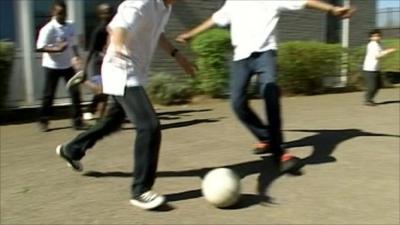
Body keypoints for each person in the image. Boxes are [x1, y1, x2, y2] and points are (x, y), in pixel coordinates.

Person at [176, 0, 355, 173]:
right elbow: (215, 19)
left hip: (265, 55)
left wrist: (332, 9)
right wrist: (191, 34)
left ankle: (280, 153)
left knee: (270, 96)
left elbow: (304, 1)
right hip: (241, 58)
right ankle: (265, 137)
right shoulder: (233, 2)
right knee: (236, 103)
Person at [56, 0, 195, 210]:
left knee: (113, 121)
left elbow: (156, 34)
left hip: (134, 72)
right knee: (149, 126)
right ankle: (140, 190)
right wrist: (119, 45)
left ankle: (71, 149)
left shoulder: (166, 8)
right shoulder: (142, 2)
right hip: (121, 70)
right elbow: (118, 26)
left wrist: (178, 56)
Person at [36, 0, 84, 132]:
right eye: (59, 13)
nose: (62, 16)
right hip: (52, 66)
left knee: (75, 92)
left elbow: (73, 44)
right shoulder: (48, 29)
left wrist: (77, 57)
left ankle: (78, 120)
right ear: (53, 13)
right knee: (49, 94)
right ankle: (43, 120)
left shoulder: (71, 26)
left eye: (64, 13)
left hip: (68, 65)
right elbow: (39, 48)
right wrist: (57, 49)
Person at [66, 3, 115, 120]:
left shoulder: (114, 28)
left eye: (110, 12)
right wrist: (84, 69)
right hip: (99, 63)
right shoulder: (99, 31)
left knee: (106, 93)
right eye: (104, 12)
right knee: (102, 91)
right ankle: (83, 80)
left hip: (111, 63)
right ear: (100, 15)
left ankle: (98, 117)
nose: (108, 15)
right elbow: (92, 51)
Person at [362, 29, 397, 106]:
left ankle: (369, 99)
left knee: (378, 85)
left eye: (378, 35)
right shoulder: (372, 45)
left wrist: (387, 51)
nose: (377, 37)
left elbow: (380, 54)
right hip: (369, 69)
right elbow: (378, 55)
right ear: (370, 38)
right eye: (374, 36)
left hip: (375, 68)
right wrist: (388, 51)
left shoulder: (378, 44)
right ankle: (367, 100)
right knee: (372, 86)